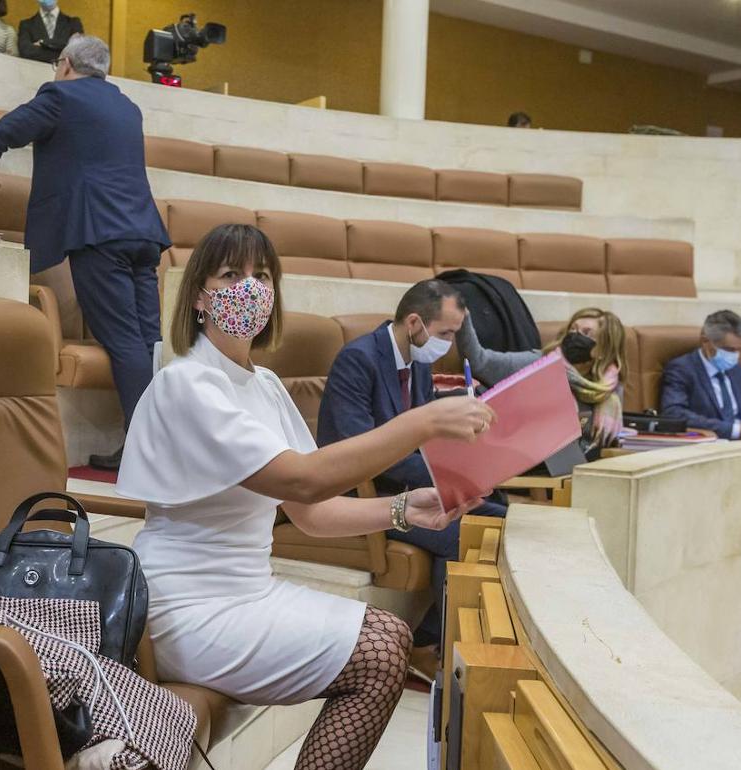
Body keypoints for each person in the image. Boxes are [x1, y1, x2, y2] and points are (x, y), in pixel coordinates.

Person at [117, 224, 495, 769]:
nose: (250, 287)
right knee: (382, 652)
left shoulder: (264, 385)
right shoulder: (188, 383)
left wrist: (403, 510)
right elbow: (301, 480)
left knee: (389, 636)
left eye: (262, 275)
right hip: (187, 604)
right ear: (199, 294)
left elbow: (310, 514)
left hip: (249, 590)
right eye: (231, 275)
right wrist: (423, 422)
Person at [0, 35, 169, 471]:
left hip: (100, 233)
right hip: (145, 234)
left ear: (68, 64)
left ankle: (145, 449)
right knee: (150, 342)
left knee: (125, 342)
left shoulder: (61, 95)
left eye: (57, 65)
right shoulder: (127, 107)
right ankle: (158, 440)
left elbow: (3, 132)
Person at [317, 279, 506, 677]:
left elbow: (427, 439)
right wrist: (447, 474)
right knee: (472, 532)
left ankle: (442, 641)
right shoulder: (359, 359)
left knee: (500, 512)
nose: (450, 345)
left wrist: (469, 462)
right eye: (446, 334)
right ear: (415, 323)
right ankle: (426, 645)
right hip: (368, 495)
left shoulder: (419, 364)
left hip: (410, 487)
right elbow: (360, 451)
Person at [457, 307, 627, 453]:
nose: (575, 336)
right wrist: (464, 317)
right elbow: (480, 362)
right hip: (535, 463)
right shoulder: (538, 363)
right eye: (573, 330)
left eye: (586, 333)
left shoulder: (609, 388)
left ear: (603, 349)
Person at [661, 310, 741, 439]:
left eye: (739, 349)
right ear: (705, 340)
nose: (735, 355)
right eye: (728, 349)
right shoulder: (682, 369)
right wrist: (735, 430)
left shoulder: (738, 370)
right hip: (710, 445)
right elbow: (675, 414)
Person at [17, 0, 84, 64]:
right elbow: (25, 52)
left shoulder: (73, 23)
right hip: (35, 72)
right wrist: (62, 48)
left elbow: (76, 51)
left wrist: (43, 43)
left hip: (65, 73)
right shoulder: (26, 25)